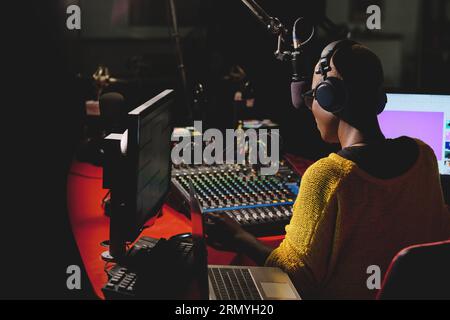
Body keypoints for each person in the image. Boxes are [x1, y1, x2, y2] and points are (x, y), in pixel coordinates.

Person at [205, 40, 450, 299]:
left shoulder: (329, 176)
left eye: (312, 96)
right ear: (380, 99)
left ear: (329, 98)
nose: (310, 108)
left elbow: (292, 276)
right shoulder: (424, 155)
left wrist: (240, 237)